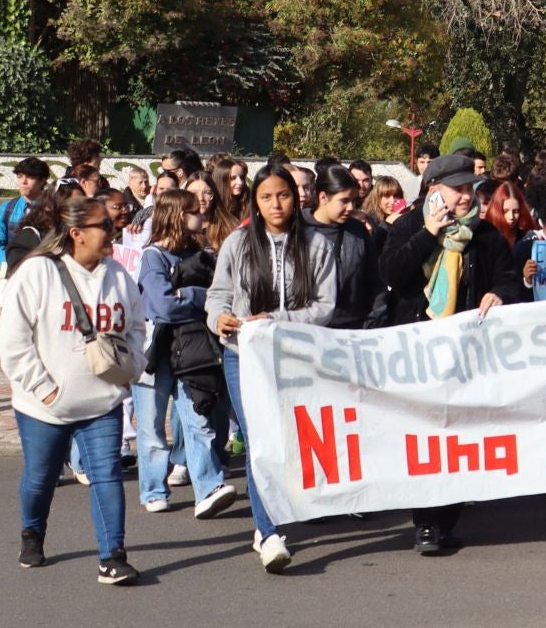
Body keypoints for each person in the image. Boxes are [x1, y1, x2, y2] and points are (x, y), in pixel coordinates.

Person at [0, 194, 145, 585]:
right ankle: (32, 532)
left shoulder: (117, 275)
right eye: (105, 226)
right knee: (40, 478)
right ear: (77, 234)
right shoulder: (37, 273)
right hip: (45, 407)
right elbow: (13, 342)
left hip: (103, 402)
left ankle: (112, 556)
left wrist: (134, 366)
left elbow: (137, 326)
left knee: (107, 476)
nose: (113, 230)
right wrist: (44, 390)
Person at [380, 154, 522, 551]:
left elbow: (508, 281)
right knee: (427, 436)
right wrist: (426, 234)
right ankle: (425, 522)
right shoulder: (407, 225)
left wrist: (501, 294)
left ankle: (446, 517)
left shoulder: (485, 235)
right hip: (416, 353)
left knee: (459, 435)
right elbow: (391, 275)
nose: (465, 197)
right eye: (457, 189)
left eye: (468, 189)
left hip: (466, 355)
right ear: (433, 189)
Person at [207, 165, 337, 573]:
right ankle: (269, 531)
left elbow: (325, 307)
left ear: (295, 198)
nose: (276, 204)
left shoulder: (316, 244)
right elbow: (218, 295)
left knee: (287, 440)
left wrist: (277, 320)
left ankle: (279, 513)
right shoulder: (237, 243)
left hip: (296, 357)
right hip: (242, 357)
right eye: (266, 197)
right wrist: (220, 319)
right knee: (258, 438)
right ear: (255, 202)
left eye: (282, 195)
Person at [134, 190, 236, 519]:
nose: (203, 213)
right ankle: (153, 489)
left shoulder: (202, 252)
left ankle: (208, 487)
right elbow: (163, 307)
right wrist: (198, 297)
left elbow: (221, 295)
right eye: (194, 210)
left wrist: (187, 294)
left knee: (198, 419)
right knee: (151, 423)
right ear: (179, 215)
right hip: (156, 349)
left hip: (192, 349)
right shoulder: (153, 257)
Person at [308, 166, 385, 329]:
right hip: (307, 331)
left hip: (352, 333)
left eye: (354, 201)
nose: (351, 208)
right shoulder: (297, 230)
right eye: (344, 201)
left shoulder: (358, 231)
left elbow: (375, 284)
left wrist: (371, 324)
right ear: (323, 197)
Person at [0, 157, 51, 273]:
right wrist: (8, 263)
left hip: (45, 272)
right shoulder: (5, 209)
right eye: (20, 176)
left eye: (30, 177)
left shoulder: (53, 209)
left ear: (43, 180)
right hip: (12, 272)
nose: (23, 182)